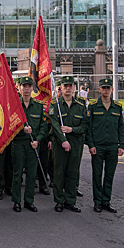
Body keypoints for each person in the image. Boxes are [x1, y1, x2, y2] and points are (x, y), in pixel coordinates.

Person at [48, 76, 88, 213]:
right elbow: (55, 125)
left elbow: (84, 126)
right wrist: (63, 140)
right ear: (61, 88)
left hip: (76, 143)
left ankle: (70, 201)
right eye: (65, 86)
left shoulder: (81, 106)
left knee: (73, 172)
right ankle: (59, 201)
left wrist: (72, 130)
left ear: (75, 88)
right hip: (59, 143)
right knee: (59, 172)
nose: (68, 88)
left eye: (70, 86)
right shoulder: (55, 105)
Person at [86, 78, 124, 213]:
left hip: (113, 146)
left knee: (109, 175)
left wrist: (122, 145)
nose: (106, 90)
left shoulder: (118, 107)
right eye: (104, 88)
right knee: (97, 175)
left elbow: (121, 127)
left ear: (112, 90)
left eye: (108, 88)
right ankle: (97, 202)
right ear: (100, 89)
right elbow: (88, 128)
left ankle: (106, 201)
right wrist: (90, 144)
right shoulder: (93, 106)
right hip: (98, 146)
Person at [11, 77, 47, 213]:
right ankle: (16, 201)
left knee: (32, 174)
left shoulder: (38, 106)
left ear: (32, 88)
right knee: (17, 173)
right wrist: (21, 129)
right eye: (23, 86)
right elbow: (10, 125)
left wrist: (38, 139)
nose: (26, 89)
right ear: (19, 88)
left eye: (29, 86)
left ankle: (29, 201)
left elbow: (43, 126)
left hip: (33, 144)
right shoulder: (15, 105)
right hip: (19, 143)